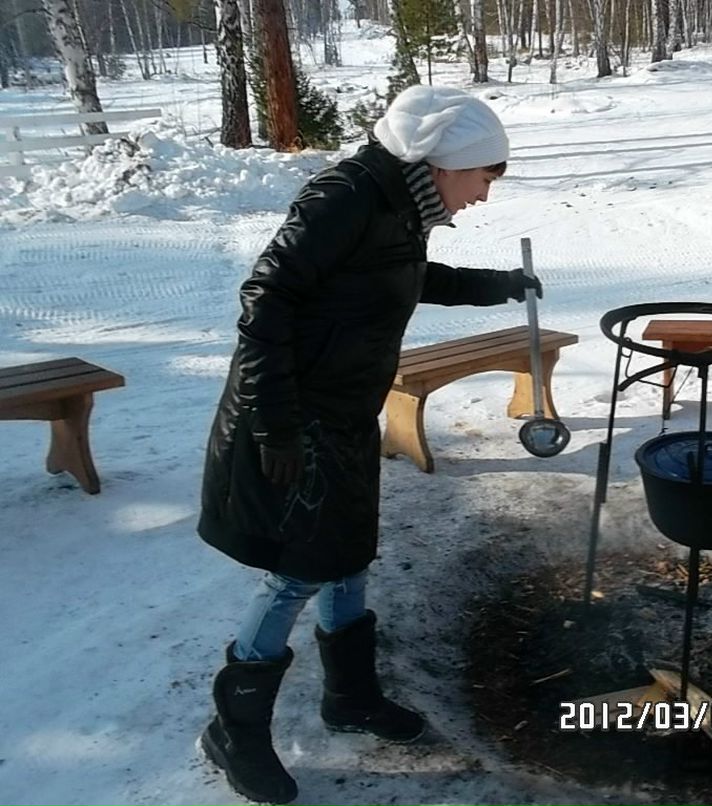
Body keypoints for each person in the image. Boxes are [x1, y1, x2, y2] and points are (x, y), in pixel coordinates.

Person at [196, 85, 541, 805]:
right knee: (299, 571)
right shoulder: (346, 197)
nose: (483, 194)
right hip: (297, 418)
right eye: (484, 176)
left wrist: (496, 286)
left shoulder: (399, 205)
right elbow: (264, 301)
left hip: (345, 413)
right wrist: (274, 426)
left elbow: (396, 278)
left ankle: (349, 698)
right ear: (446, 163)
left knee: (350, 554)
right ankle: (233, 730)